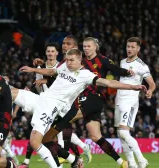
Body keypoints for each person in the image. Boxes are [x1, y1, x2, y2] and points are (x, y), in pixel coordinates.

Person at [14, 48, 146, 168]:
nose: (68, 63)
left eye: (72, 60)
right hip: (42, 99)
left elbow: (109, 82)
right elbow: (52, 71)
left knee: (37, 140)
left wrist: (133, 87)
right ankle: (74, 160)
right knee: (13, 94)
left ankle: (53, 163)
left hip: (56, 107)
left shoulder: (86, 75)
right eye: (67, 60)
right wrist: (33, 69)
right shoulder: (64, 67)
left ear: (79, 60)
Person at [20, 37, 91, 168]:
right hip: (44, 103)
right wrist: (38, 69)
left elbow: (63, 81)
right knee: (46, 137)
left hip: (61, 106)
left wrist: (46, 79)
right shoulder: (49, 66)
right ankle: (75, 157)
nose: (64, 46)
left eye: (67, 44)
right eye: (48, 51)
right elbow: (40, 85)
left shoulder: (66, 66)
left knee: (49, 137)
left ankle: (74, 156)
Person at [68, 37, 136, 168]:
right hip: (83, 98)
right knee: (95, 136)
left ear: (95, 47)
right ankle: (122, 163)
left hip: (94, 97)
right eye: (84, 46)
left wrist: (127, 72)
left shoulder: (102, 60)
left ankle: (72, 158)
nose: (86, 49)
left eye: (89, 46)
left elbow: (115, 69)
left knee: (63, 121)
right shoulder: (79, 61)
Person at [114, 37, 155, 168]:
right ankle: (132, 164)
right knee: (121, 134)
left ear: (138, 49)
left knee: (123, 132)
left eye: (132, 47)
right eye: (128, 46)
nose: (129, 49)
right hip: (119, 100)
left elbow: (152, 83)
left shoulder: (142, 66)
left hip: (130, 101)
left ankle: (141, 160)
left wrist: (150, 91)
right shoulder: (122, 62)